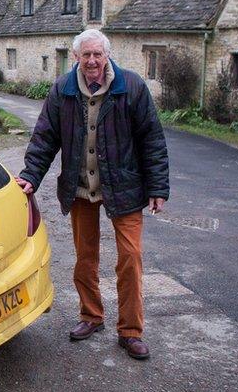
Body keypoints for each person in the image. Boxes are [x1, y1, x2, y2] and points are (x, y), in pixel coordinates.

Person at [16, 29, 169, 360]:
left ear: (107, 55)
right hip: (81, 187)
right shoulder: (62, 90)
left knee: (130, 259)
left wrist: (158, 187)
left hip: (125, 187)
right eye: (85, 55)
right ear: (76, 57)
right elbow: (44, 137)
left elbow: (152, 139)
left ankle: (130, 331)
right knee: (85, 258)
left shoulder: (131, 87)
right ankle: (91, 316)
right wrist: (30, 175)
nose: (92, 61)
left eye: (97, 54)